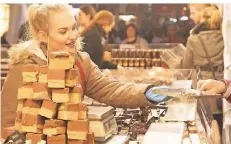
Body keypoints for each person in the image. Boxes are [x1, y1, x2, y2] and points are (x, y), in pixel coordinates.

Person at [1, 4, 171, 130]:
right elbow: (6, 122)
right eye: (63, 31)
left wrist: (146, 92)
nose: (73, 36)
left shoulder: (81, 61)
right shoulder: (24, 69)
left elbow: (110, 88)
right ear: (43, 36)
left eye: (73, 28)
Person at [182, 6, 224, 80]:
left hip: (200, 82)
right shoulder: (224, 38)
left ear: (202, 20)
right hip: (221, 82)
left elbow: (186, 66)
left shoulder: (192, 39)